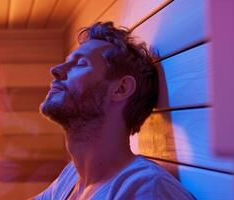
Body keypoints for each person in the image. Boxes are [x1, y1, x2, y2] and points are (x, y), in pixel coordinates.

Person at [33, 21, 194, 200]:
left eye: (81, 64)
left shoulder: (146, 190)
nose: (56, 70)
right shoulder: (72, 176)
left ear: (121, 89)